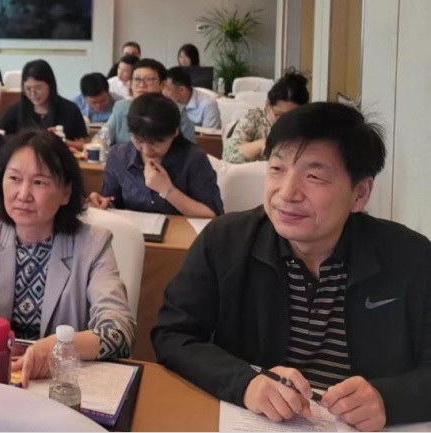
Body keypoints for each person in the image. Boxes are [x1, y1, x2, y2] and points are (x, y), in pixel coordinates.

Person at [153, 103, 431, 432]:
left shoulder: (411, 258)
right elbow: (173, 334)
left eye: (314, 176)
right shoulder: (225, 241)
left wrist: (390, 400)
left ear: (360, 193)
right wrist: (245, 382)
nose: (286, 193)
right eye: (276, 169)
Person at [0, 129, 136, 387]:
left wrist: (61, 346)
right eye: (14, 178)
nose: (23, 194)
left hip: (59, 384)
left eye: (39, 182)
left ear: (66, 192)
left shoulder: (93, 244)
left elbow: (119, 333)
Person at [90, 93, 223, 218]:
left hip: (182, 233)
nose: (147, 151)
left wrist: (168, 190)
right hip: (134, 231)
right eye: (139, 141)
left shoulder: (194, 158)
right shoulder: (118, 156)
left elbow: (212, 213)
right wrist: (104, 203)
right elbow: (113, 202)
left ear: (175, 132)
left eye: (156, 143)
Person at [105, 58, 197, 147]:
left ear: (162, 85)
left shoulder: (177, 110)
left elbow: (190, 149)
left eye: (149, 79)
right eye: (137, 79)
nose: (142, 85)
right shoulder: (121, 107)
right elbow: (103, 137)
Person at [0, 60, 88, 150]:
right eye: (28, 89)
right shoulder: (15, 111)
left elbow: (84, 145)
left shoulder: (70, 110)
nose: (33, 93)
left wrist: (62, 141)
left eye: (38, 88)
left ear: (50, 85)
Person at [224, 72, 310, 164]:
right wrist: (262, 144)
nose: (285, 121)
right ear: (268, 105)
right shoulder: (254, 118)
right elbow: (229, 154)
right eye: (279, 115)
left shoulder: (306, 124)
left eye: (292, 116)